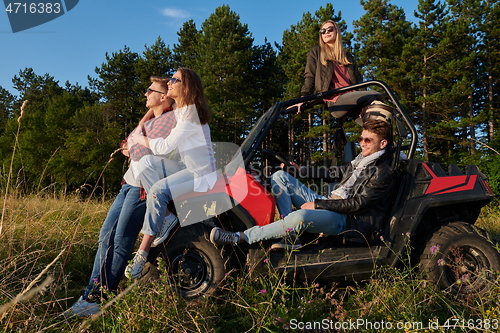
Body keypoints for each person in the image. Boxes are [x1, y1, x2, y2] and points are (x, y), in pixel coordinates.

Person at [63, 77, 178, 318]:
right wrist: (134, 140)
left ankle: (97, 298)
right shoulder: (153, 119)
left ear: (164, 96)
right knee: (106, 236)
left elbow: (137, 149)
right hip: (128, 184)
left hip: (140, 190)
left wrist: (134, 143)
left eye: (151, 90)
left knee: (121, 240)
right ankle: (92, 294)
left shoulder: (168, 120)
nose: (146, 93)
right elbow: (128, 145)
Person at [209, 119, 394, 249]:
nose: (362, 143)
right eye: (361, 138)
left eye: (367, 140)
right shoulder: (360, 161)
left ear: (383, 143)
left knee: (301, 217)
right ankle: (290, 236)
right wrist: (298, 170)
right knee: (280, 176)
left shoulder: (383, 171)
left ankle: (241, 237)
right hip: (332, 203)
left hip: (347, 219)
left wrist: (318, 204)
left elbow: (358, 205)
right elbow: (332, 173)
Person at [125, 68, 216, 279]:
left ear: (187, 87)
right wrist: (142, 124)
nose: (170, 82)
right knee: (147, 162)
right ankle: (166, 216)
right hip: (187, 169)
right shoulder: (182, 109)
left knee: (157, 189)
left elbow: (164, 147)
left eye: (175, 80)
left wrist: (139, 138)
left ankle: (141, 253)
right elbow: (157, 107)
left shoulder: (190, 115)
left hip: (201, 175)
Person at [291, 20, 380, 118]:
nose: (326, 32)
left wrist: (365, 104)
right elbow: (310, 76)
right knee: (375, 94)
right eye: (323, 31)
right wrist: (303, 98)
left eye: (330, 29)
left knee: (377, 123)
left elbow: (359, 81)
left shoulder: (347, 56)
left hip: (354, 97)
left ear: (336, 32)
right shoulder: (317, 51)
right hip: (335, 99)